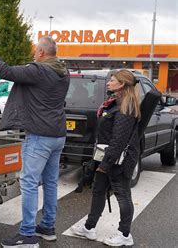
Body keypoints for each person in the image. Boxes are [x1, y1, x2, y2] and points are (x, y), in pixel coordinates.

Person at [0, 35, 70, 247]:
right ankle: (47, 227)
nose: (33, 54)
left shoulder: (39, 70)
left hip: (39, 137)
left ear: (42, 53)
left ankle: (27, 234)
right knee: (50, 182)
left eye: (36, 50)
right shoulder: (64, 72)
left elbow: (5, 71)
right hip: (58, 135)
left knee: (28, 184)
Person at [70, 69, 140, 246]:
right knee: (98, 191)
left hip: (118, 160)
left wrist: (105, 164)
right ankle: (89, 228)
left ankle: (125, 235)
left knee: (122, 195)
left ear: (122, 84)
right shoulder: (115, 102)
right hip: (106, 156)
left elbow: (118, 141)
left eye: (112, 80)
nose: (108, 83)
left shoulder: (126, 106)